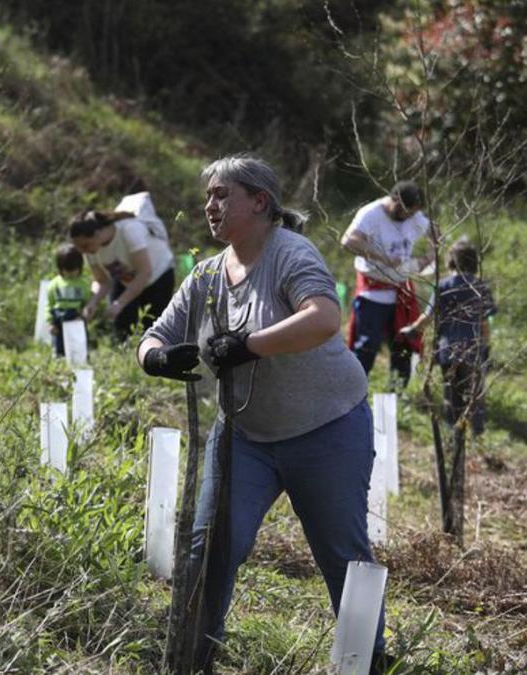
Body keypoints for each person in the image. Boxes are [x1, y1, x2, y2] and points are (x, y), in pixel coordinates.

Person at [138, 156, 388, 668]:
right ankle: (190, 657)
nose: (211, 205)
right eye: (208, 195)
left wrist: (249, 344)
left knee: (342, 553)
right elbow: (153, 336)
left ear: (260, 201)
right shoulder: (207, 277)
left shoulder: (291, 254)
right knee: (210, 548)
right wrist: (158, 359)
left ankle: (369, 662)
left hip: (327, 428)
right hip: (246, 435)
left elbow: (322, 318)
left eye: (222, 193)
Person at [341, 180, 435, 387]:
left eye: (412, 213)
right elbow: (349, 240)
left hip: (402, 290)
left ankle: (397, 394)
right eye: (404, 212)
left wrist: (427, 258)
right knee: (367, 346)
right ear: (395, 202)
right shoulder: (371, 214)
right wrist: (382, 257)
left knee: (403, 345)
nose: (408, 217)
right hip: (373, 290)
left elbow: (436, 236)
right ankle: (354, 390)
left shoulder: (415, 215)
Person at [400, 238, 494, 435]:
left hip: (448, 348)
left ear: (450, 261)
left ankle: (453, 432)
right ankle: (477, 432)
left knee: (451, 393)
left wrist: (412, 329)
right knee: (474, 392)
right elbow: (484, 323)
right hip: (473, 348)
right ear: (474, 262)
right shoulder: (480, 287)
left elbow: (428, 316)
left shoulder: (443, 285)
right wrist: (486, 347)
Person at [69, 204, 175, 341]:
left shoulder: (128, 230)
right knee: (122, 331)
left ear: (96, 234)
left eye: (85, 245)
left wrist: (119, 303)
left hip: (158, 278)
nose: (83, 251)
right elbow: (102, 281)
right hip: (126, 280)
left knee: (154, 332)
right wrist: (92, 303)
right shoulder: (91, 250)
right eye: (79, 248)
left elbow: (144, 273)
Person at [47, 243, 92, 357]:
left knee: (79, 342)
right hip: (59, 318)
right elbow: (50, 305)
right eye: (67, 270)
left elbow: (87, 303)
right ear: (60, 268)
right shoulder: (54, 285)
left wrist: (83, 316)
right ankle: (59, 357)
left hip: (76, 317)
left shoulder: (83, 284)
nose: (71, 273)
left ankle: (82, 358)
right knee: (59, 343)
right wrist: (50, 322)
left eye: (74, 270)